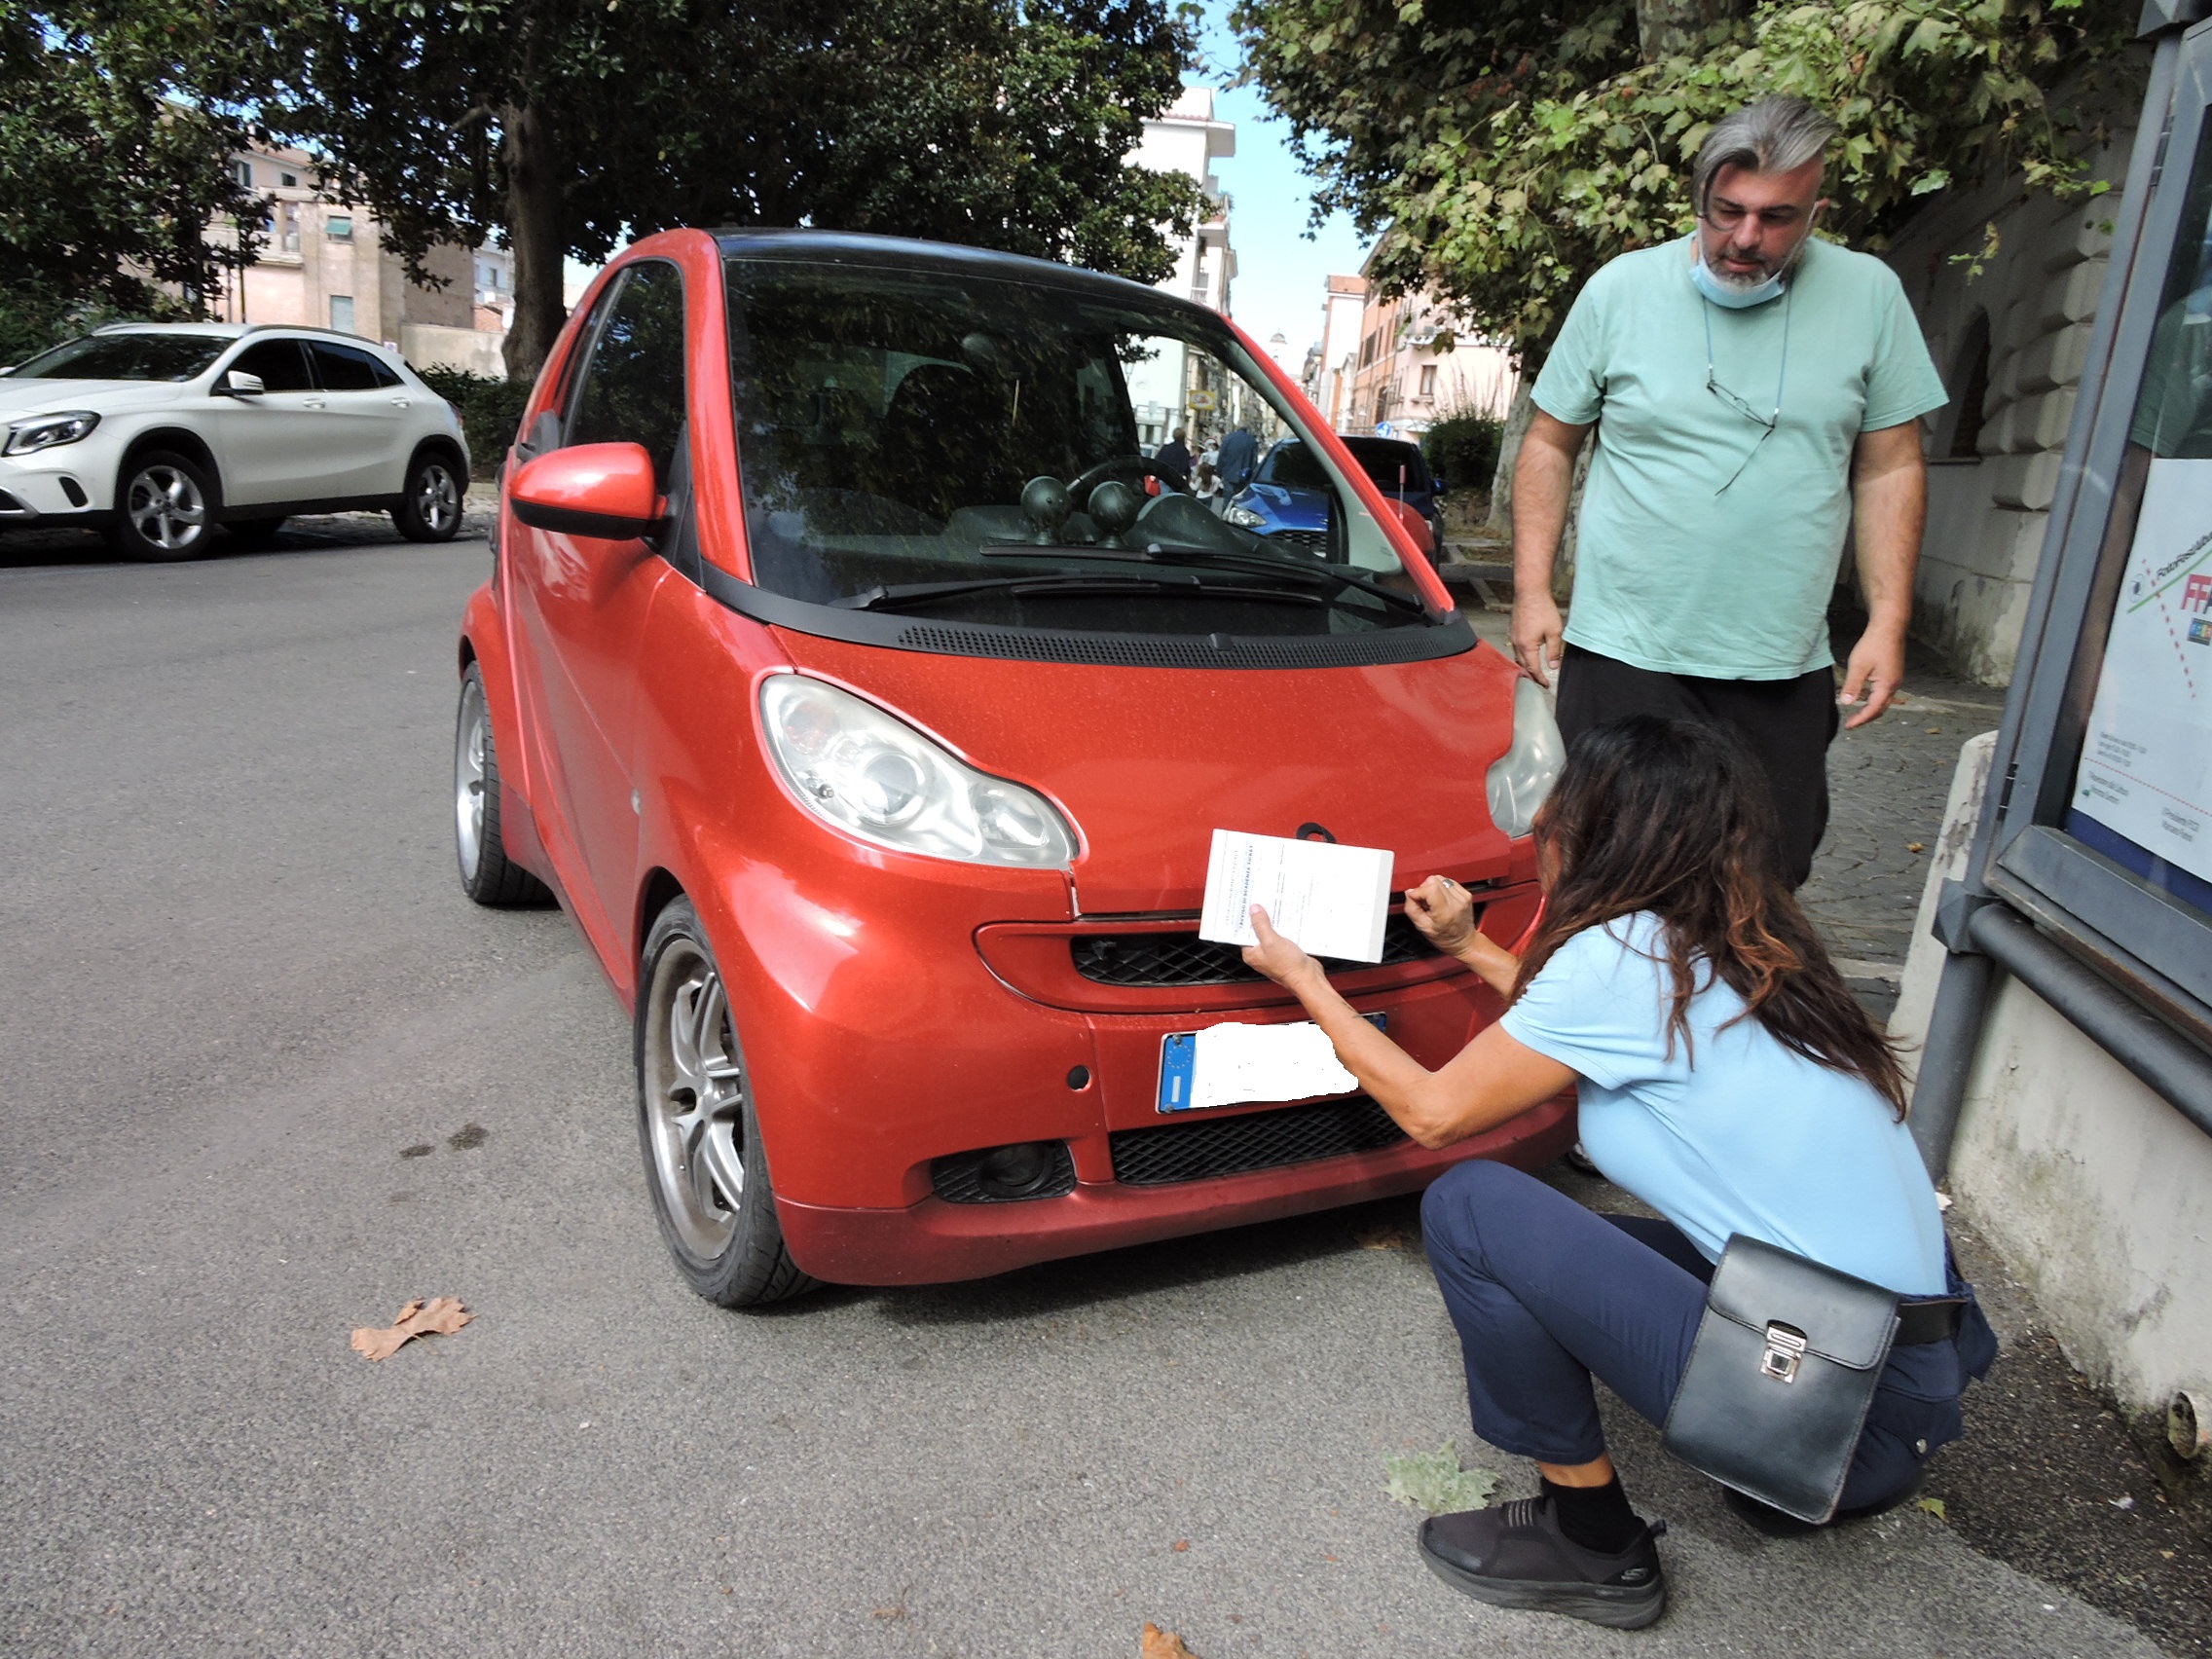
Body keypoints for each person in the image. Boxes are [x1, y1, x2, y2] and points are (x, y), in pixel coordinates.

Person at [1240, 716, 1993, 1631]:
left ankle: (1590, 1541)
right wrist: (1472, 945)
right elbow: (1583, 1029)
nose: (1538, 828)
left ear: (1601, 830)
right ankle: (1775, 1466)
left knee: (1474, 1209)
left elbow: (1432, 1112)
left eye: (1559, 808)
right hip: (1897, 1376)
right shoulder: (1734, 944)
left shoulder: (1622, 959)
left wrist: (1306, 980)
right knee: (1568, 1236)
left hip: (1843, 1409)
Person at [1511, 95, 1950, 888]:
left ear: (1817, 208)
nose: (1746, 239)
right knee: (1606, 877)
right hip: (1625, 654)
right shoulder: (1622, 290)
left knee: (1763, 885)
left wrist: (1889, 621)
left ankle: (1728, 1014)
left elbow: (1890, 464)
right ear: (1700, 198)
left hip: (1781, 664)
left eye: (1777, 218)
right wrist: (1532, 590)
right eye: (1728, 212)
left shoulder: (1870, 295)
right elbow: (1549, 441)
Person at [1215, 422, 1258, 497]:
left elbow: (1221, 457)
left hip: (1229, 475)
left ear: (1237, 427)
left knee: (1227, 500)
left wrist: (1219, 473)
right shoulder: (1252, 441)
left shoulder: (1228, 439)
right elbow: (1254, 462)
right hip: (1244, 478)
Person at [1153, 427, 1193, 492]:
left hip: (1164, 477)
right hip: (1177, 479)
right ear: (1183, 437)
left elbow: (1157, 462)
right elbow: (1185, 466)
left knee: (1164, 497)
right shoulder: (1185, 451)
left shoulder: (1165, 448)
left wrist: (1156, 476)